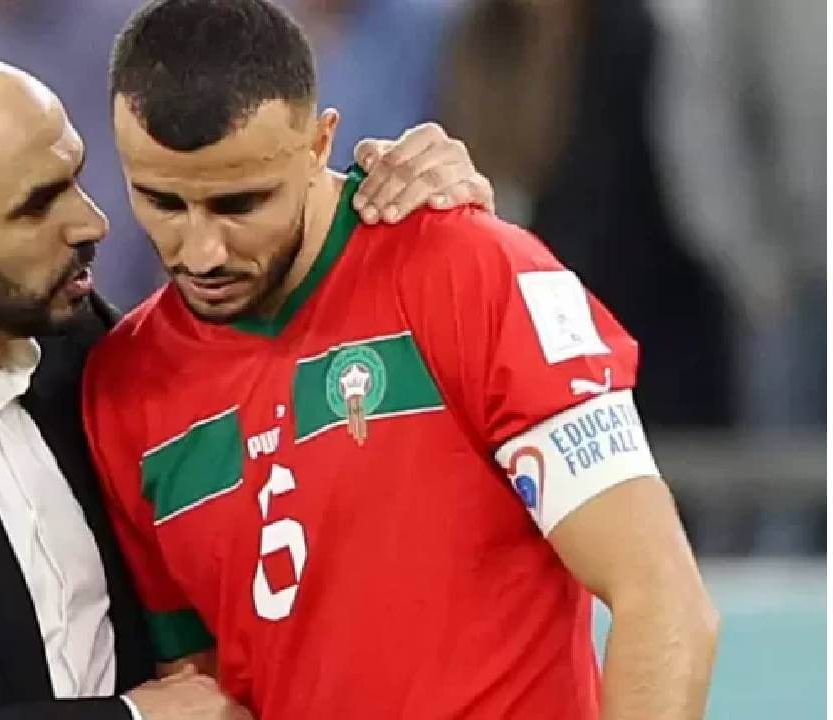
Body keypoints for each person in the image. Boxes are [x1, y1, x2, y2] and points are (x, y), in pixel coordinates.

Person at [0, 54, 494, 719]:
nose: (90, 222)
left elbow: (280, 385)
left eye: (74, 177)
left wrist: (408, 224)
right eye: (35, 206)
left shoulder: (86, 346)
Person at [82, 1, 719, 718]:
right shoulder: (124, 391)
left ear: (320, 143)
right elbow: (197, 696)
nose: (202, 252)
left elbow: (661, 600)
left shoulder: (468, 274)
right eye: (163, 202)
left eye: (241, 204)